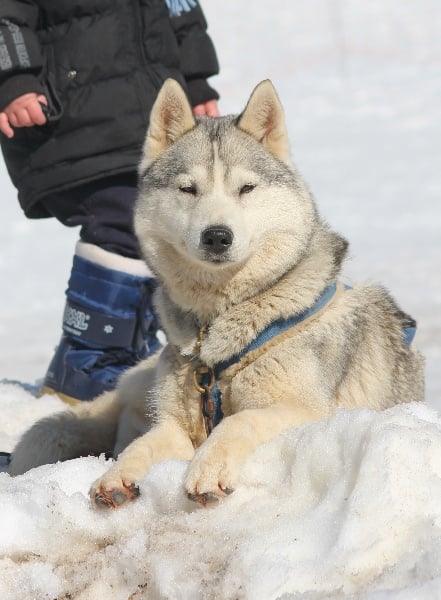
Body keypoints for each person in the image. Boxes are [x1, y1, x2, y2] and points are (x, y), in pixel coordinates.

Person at [0, 0, 220, 404]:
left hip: (149, 117)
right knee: (122, 218)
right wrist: (12, 79)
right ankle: (87, 365)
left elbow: (179, 8)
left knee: (164, 224)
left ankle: (124, 354)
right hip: (69, 116)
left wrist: (197, 80)